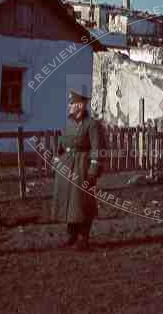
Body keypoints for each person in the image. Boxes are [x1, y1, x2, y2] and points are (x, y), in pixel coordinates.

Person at [52, 90, 106, 251]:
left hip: (82, 166)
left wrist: (93, 171)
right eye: (69, 103)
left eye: (71, 103)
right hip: (67, 165)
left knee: (82, 202)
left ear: (80, 106)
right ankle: (71, 234)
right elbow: (60, 144)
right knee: (69, 201)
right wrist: (57, 161)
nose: (69, 106)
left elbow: (98, 148)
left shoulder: (92, 125)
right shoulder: (68, 124)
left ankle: (83, 238)